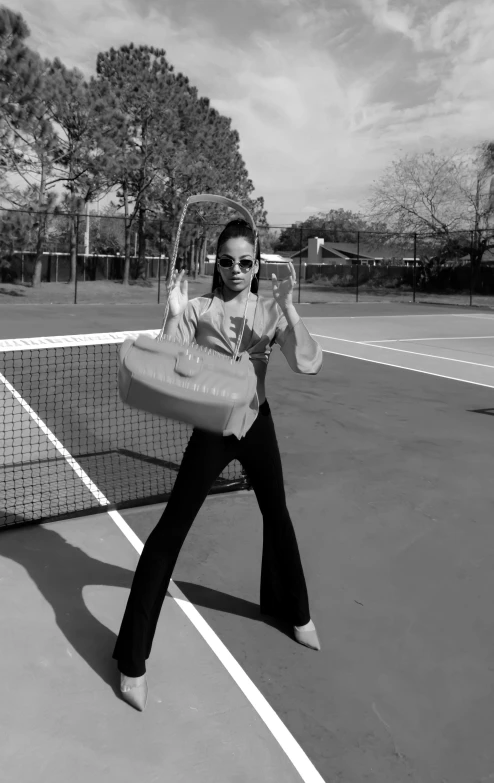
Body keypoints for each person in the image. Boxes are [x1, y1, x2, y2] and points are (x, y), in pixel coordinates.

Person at [114, 218, 323, 711]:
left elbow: (309, 362)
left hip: (257, 425)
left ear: (257, 265)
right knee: (170, 532)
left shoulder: (270, 309)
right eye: (226, 260)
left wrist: (290, 309)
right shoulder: (200, 309)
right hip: (213, 431)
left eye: (245, 262)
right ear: (217, 264)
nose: (235, 269)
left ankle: (292, 610)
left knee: (279, 516)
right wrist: (173, 314)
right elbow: (164, 361)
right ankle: (130, 658)